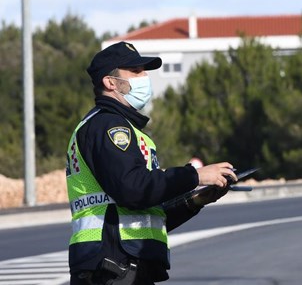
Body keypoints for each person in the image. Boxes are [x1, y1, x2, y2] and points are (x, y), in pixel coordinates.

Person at [67, 41, 238, 285]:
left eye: (144, 71)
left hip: (122, 264)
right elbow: (133, 189)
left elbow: (146, 213)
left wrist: (195, 201)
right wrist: (196, 175)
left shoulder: (125, 129)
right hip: (112, 267)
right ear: (110, 82)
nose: (145, 77)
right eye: (135, 71)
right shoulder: (109, 126)